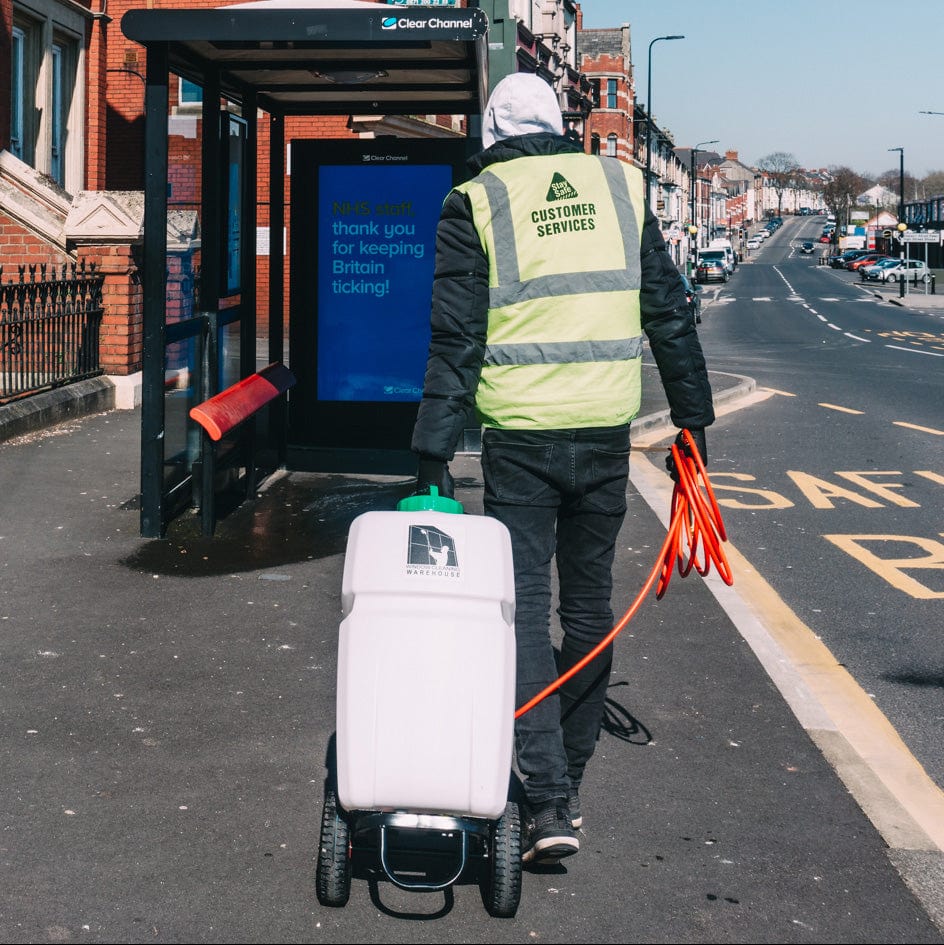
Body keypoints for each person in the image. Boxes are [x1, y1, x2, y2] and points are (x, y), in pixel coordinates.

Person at [410, 72, 715, 863]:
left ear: (491, 133)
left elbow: (455, 339)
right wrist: (693, 425)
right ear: (560, 124)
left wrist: (431, 453)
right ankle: (568, 788)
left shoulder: (474, 201)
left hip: (520, 441)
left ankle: (543, 798)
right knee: (586, 613)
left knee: (522, 616)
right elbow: (670, 314)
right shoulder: (622, 188)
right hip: (604, 436)